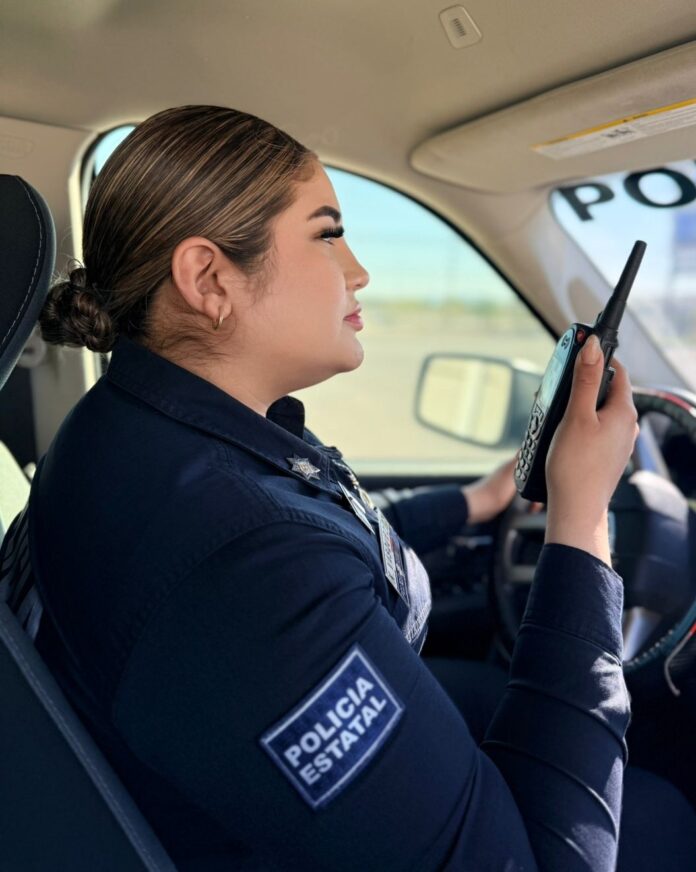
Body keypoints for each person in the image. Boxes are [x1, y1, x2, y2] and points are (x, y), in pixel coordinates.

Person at [20, 105, 693, 870]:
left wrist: (472, 504)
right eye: (328, 234)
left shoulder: (135, 431)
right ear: (209, 279)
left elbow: (322, 529)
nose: (359, 270)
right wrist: (582, 517)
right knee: (668, 816)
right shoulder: (241, 574)